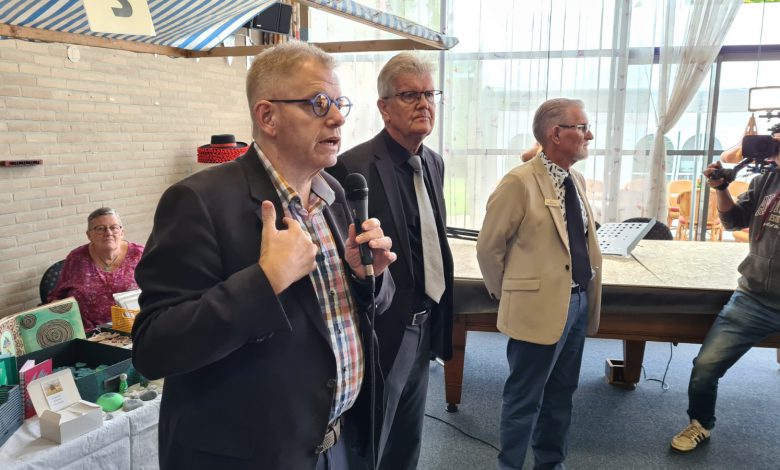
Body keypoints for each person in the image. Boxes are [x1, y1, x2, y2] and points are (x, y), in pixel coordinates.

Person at [131, 42, 397, 470]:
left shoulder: (335, 195)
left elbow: (355, 312)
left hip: (337, 444)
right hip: (250, 457)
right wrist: (265, 281)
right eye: (319, 103)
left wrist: (369, 278)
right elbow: (154, 348)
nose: (338, 118)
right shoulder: (199, 202)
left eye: (339, 103)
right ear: (267, 116)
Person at [328, 52, 454, 470]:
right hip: (381, 329)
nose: (424, 104)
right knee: (372, 441)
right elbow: (345, 260)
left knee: (408, 438)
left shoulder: (433, 162)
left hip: (425, 319)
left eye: (430, 94)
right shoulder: (353, 167)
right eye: (410, 95)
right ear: (383, 107)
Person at [476, 98, 603, 469]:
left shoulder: (574, 179)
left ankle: (550, 464)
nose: (589, 135)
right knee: (524, 400)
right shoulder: (518, 182)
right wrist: (511, 294)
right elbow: (489, 248)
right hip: (537, 307)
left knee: (561, 396)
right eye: (582, 127)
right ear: (556, 134)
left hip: (577, 302)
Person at [670, 137, 780, 453]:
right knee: (705, 367)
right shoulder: (766, 180)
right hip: (754, 298)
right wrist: (721, 188)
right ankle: (700, 423)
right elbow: (733, 221)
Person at [48, 207, 143, 331]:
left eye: (114, 227)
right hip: (87, 332)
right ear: (89, 235)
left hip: (134, 330)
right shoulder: (76, 258)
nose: (108, 233)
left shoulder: (139, 255)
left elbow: (158, 291)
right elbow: (57, 297)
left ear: (122, 232)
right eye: (100, 229)